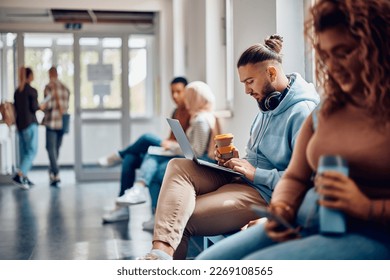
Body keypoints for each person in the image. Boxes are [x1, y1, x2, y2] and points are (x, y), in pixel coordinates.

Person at [197, 0, 390, 260]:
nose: (333, 67)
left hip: (369, 232)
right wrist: (282, 209)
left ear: (378, 46)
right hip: (306, 220)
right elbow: (296, 177)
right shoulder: (329, 109)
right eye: (326, 55)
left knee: (253, 266)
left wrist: (367, 208)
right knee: (209, 262)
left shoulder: (305, 108)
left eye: (343, 52)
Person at [138, 35, 320, 260]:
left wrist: (255, 173)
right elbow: (260, 156)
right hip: (242, 179)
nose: (246, 90)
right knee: (178, 165)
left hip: (264, 192)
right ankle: (160, 254)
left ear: (271, 73)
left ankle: (159, 258)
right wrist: (236, 160)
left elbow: (306, 182)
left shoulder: (302, 112)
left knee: (178, 218)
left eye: (249, 82)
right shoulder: (267, 105)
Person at [101, 77, 190, 223]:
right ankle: (122, 208)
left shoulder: (193, 112)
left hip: (178, 153)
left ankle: (118, 155)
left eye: (178, 92)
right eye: (172, 92)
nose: (175, 96)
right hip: (169, 150)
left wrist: (169, 145)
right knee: (130, 159)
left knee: (147, 138)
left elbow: (187, 145)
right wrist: (167, 145)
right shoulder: (176, 112)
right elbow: (171, 137)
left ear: (187, 92)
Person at [41, 66, 70, 187]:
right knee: (56, 148)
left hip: (52, 122)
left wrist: (42, 106)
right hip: (62, 122)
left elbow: (48, 105)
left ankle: (56, 172)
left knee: (50, 148)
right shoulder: (65, 88)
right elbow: (67, 105)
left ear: (50, 74)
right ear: (57, 74)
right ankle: (52, 171)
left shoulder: (49, 87)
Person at [12, 66, 40, 189]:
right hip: (30, 125)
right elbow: (34, 108)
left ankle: (24, 178)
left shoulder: (17, 91)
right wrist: (41, 106)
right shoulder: (32, 91)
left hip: (20, 126)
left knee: (24, 153)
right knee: (32, 152)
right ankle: (19, 175)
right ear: (29, 76)